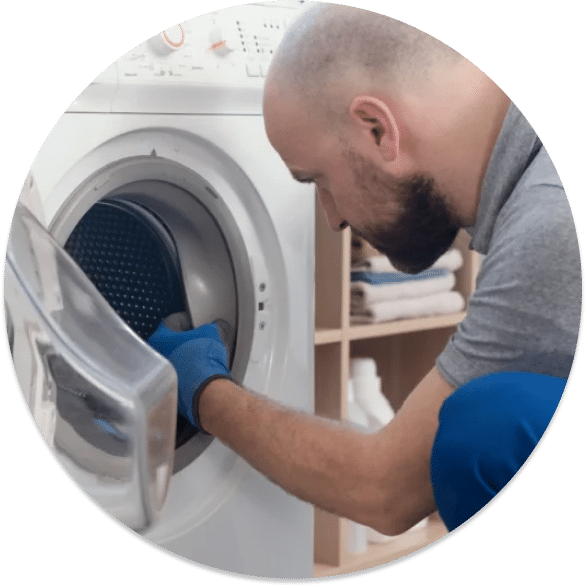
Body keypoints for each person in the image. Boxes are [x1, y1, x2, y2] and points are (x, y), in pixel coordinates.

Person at [148, 4, 581, 534]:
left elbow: (385, 489)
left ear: (378, 129)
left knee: (484, 430)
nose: (332, 221)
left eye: (318, 182)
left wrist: (199, 387)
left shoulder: (550, 225)